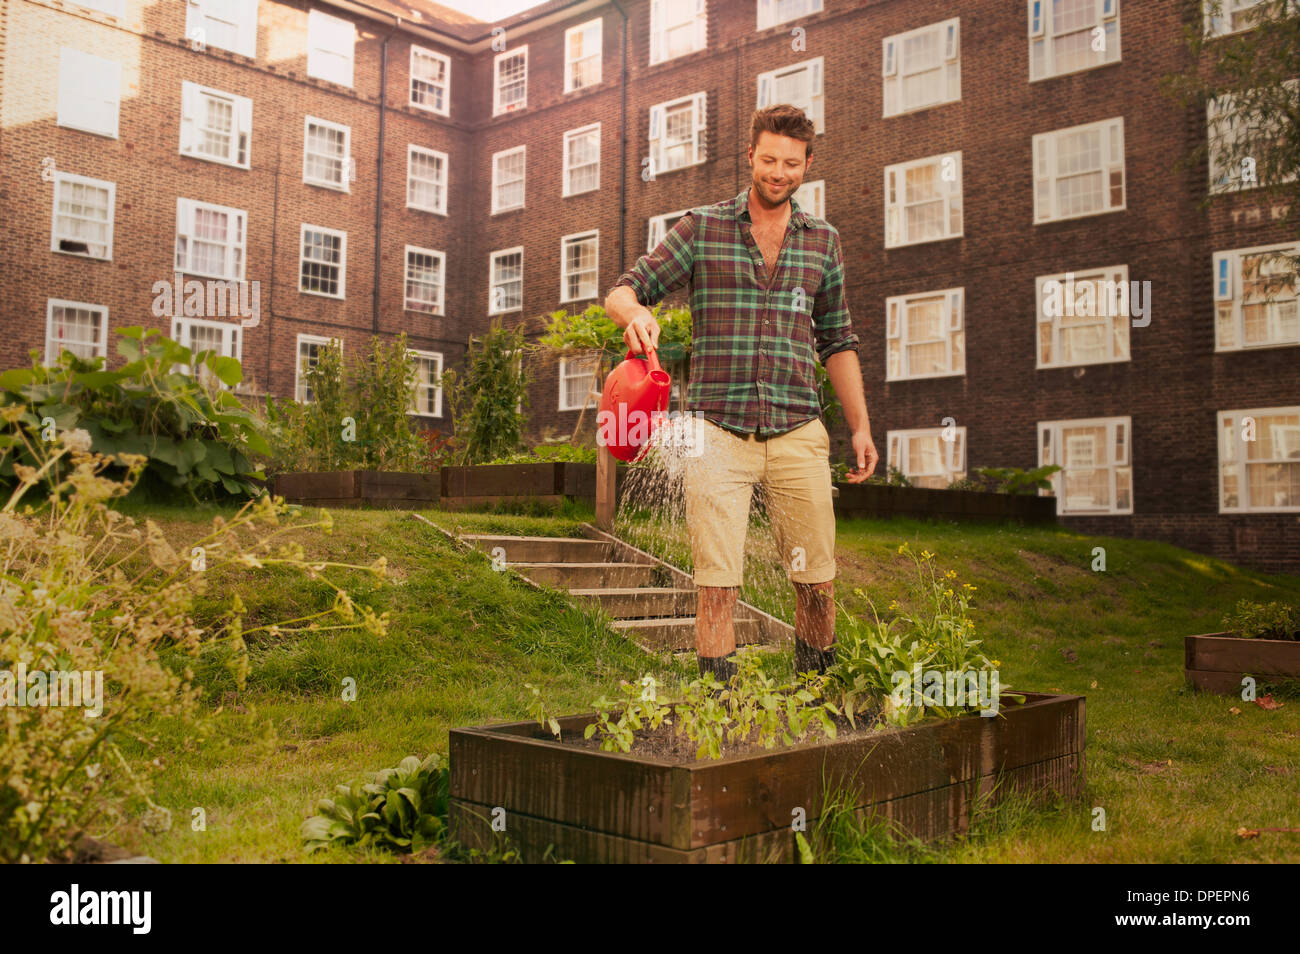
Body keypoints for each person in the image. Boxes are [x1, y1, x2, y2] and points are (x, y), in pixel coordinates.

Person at [605, 103, 878, 681]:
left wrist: (859, 427)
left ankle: (816, 701)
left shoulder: (822, 242)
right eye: (769, 159)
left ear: (808, 165)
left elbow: (838, 338)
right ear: (750, 155)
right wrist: (633, 314)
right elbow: (627, 288)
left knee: (818, 585)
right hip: (717, 433)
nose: (779, 173)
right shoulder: (703, 227)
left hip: (799, 428)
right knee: (717, 587)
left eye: (792, 164)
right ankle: (719, 717)